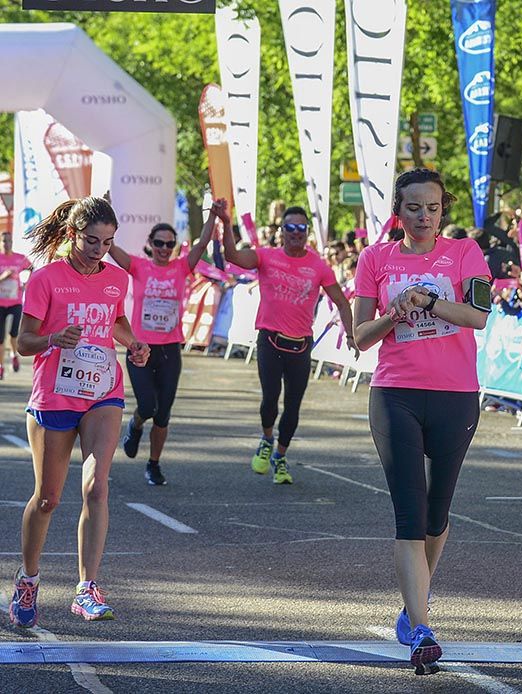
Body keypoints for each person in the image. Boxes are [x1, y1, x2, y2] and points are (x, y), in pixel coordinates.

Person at [353, 168, 491, 674]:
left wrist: (428, 300)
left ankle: (414, 607)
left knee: (436, 515)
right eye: (413, 207)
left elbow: (478, 316)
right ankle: (422, 628)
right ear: (398, 209)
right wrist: (393, 313)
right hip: (395, 394)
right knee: (410, 516)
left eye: (432, 208)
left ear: (443, 210)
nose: (423, 217)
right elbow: (360, 336)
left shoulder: (464, 254)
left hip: (456, 395)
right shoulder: (375, 258)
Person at [9, 197, 149, 628]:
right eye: (92, 240)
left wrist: (134, 344)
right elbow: (22, 341)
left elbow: (116, 321)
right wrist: (53, 338)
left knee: (97, 487)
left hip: (102, 391)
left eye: (107, 242)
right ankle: (28, 578)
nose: (99, 249)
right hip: (54, 395)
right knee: (48, 498)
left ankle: (87, 588)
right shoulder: (46, 278)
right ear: (73, 234)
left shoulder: (117, 279)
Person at [220, 203, 357, 484]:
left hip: (300, 345)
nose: (296, 233)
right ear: (282, 231)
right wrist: (225, 221)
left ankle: (280, 457)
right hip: (270, 339)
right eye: (290, 228)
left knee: (293, 405)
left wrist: (353, 334)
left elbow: (342, 301)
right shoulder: (266, 257)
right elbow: (231, 255)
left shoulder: (318, 266)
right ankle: (267, 438)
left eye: (301, 229)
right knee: (270, 398)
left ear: (307, 232)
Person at [106, 208, 219, 485]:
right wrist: (105, 209)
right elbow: (111, 248)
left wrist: (214, 217)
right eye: (159, 243)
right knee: (147, 405)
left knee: (163, 412)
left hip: (169, 350)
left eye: (170, 244)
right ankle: (134, 425)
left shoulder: (181, 267)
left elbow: (203, 243)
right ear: (151, 244)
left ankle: (153, 464)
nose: (164, 249)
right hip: (140, 349)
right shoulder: (138, 266)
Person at [0, 230, 33, 379]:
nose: (7, 244)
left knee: (14, 333)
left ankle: (14, 355)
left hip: (15, 302)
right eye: (4, 241)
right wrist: (3, 277)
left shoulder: (19, 259)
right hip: (1, 303)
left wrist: (26, 284)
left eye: (9, 242)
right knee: (0, 338)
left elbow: (32, 268)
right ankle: (1, 366)